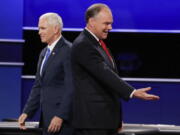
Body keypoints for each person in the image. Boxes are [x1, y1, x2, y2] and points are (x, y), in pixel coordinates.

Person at [71, 3, 160, 135]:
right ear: (91, 22)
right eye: (106, 23)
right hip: (93, 122)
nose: (110, 27)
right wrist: (132, 92)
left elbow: (107, 83)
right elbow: (105, 74)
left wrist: (116, 119)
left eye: (111, 23)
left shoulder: (97, 44)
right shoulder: (83, 44)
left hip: (104, 120)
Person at [18, 13, 73, 135]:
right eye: (39, 28)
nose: (39, 32)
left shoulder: (68, 51)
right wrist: (27, 112)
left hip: (63, 123)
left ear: (55, 29)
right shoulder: (44, 52)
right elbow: (39, 85)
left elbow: (72, 87)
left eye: (42, 28)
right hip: (47, 119)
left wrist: (60, 115)